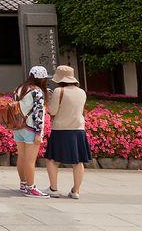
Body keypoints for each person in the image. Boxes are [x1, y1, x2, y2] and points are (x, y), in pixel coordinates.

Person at [44, 65, 91, 199]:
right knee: (78, 161)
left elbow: (52, 111)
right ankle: (75, 191)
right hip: (78, 130)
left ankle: (53, 188)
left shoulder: (59, 91)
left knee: (52, 159)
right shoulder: (82, 92)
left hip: (60, 129)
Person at [14, 65, 50, 198]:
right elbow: (38, 114)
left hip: (18, 127)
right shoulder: (38, 92)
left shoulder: (20, 88)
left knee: (21, 158)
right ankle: (31, 188)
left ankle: (23, 184)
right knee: (30, 161)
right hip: (30, 129)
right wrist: (38, 133)